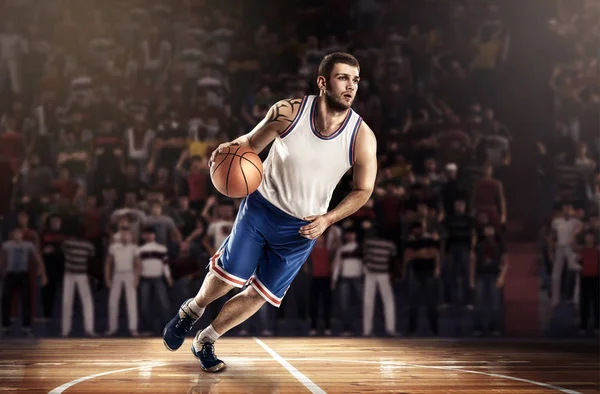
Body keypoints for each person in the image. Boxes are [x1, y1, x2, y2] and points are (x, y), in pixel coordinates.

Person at [163, 52, 377, 372]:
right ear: (322, 82)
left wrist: (328, 219)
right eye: (343, 78)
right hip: (262, 208)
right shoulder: (288, 112)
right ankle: (191, 311)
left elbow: (364, 190)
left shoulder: (362, 137)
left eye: (355, 80)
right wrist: (227, 150)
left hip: (304, 227)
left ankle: (206, 339)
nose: (351, 86)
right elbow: (249, 143)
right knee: (229, 275)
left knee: (260, 294)